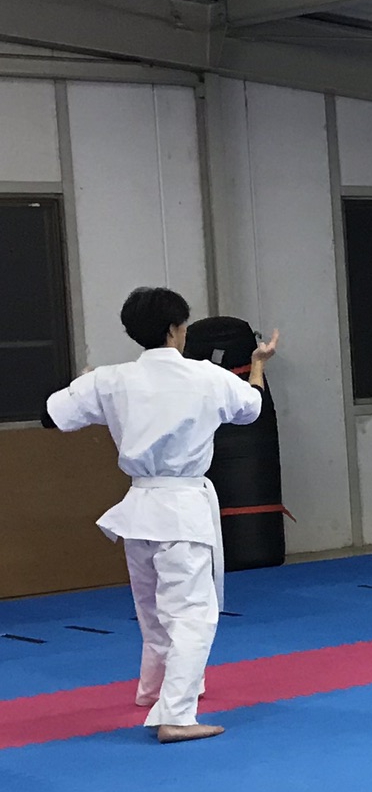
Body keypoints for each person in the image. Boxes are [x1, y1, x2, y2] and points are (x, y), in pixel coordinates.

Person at [45, 286, 278, 743]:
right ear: (176, 329)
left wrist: (86, 385)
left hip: (139, 509)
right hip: (182, 509)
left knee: (152, 610)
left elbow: (50, 416)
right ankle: (176, 715)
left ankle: (153, 689)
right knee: (192, 614)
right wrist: (258, 363)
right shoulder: (206, 376)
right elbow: (253, 408)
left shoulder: (111, 380)